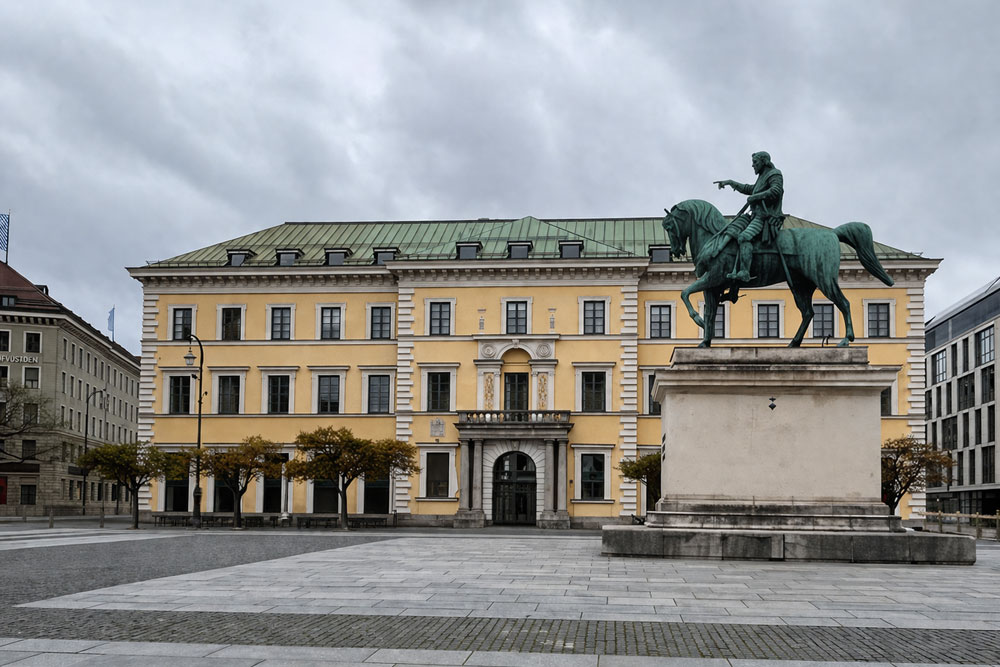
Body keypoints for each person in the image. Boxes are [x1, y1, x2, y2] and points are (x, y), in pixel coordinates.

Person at [715, 151, 785, 283]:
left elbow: (776, 190)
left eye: (755, 162)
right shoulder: (762, 176)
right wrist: (730, 182)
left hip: (764, 217)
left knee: (744, 237)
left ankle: (745, 272)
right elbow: (749, 189)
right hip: (755, 216)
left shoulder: (774, 174)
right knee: (733, 229)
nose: (753, 165)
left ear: (763, 162)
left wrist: (755, 197)